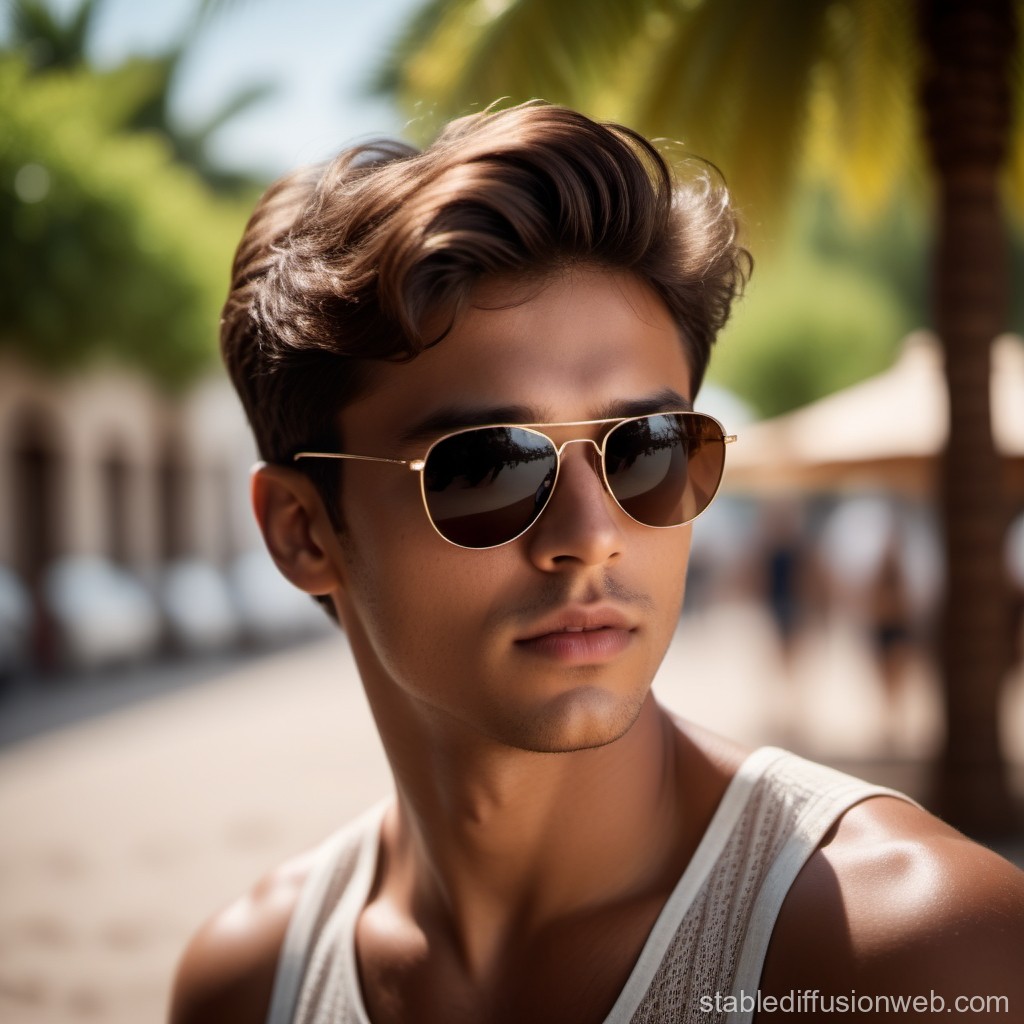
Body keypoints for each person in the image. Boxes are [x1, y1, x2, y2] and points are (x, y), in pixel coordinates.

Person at [170, 102, 1024, 1024]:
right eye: (487, 466)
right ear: (303, 532)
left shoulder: (913, 955)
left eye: (650, 448)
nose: (592, 532)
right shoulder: (250, 988)